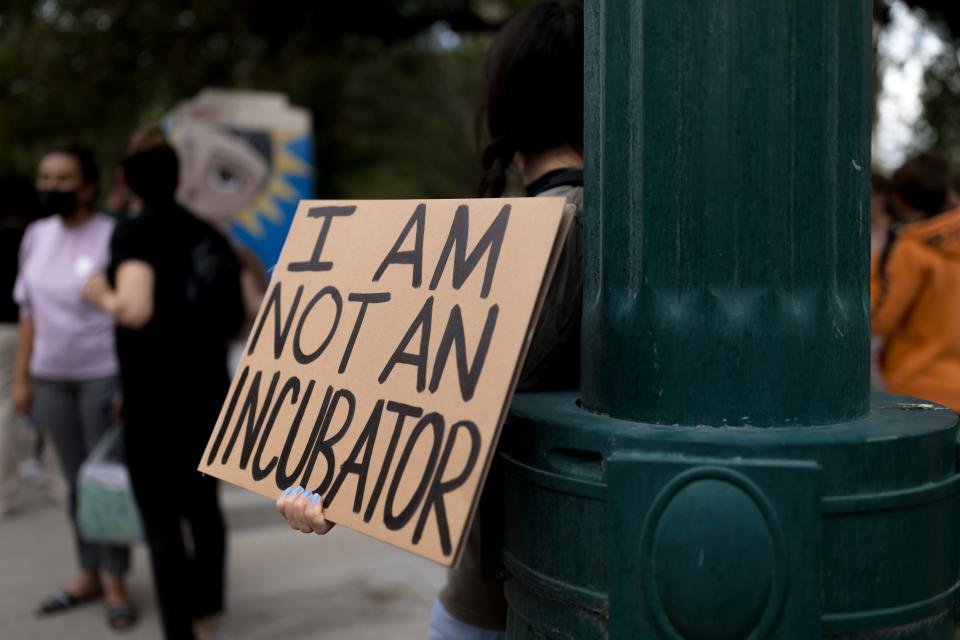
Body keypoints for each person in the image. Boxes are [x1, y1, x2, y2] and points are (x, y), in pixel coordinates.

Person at [276, 3, 584, 639]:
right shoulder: (590, 220)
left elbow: (438, 389)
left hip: (504, 599)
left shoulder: (556, 225)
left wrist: (335, 477)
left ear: (504, 99)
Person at [84, 139, 245, 640]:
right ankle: (206, 614)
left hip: (155, 400)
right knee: (204, 511)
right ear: (178, 176)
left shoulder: (134, 232)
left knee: (161, 522)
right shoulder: (209, 233)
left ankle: (178, 629)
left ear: (127, 181)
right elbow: (244, 312)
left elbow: (135, 308)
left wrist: (100, 293)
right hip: (209, 394)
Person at [12, 146, 137, 629]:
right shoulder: (36, 236)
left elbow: (128, 318)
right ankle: (87, 572)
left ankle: (116, 580)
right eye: (45, 177)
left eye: (63, 178)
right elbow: (28, 312)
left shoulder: (112, 235)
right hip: (50, 378)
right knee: (72, 482)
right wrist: (22, 378)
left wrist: (127, 384)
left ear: (87, 185)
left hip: (101, 377)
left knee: (103, 479)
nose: (51, 187)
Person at [872, 152, 960, 410]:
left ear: (902, 201)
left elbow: (880, 319)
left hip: (920, 388)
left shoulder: (912, 249)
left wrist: (876, 264)